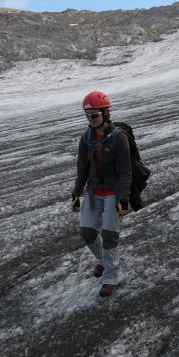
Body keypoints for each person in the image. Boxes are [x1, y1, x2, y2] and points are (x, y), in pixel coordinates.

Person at [70, 91, 132, 297]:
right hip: (93, 191)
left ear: (105, 113)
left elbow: (125, 170)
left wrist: (124, 198)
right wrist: (76, 193)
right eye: (87, 115)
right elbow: (82, 168)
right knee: (87, 233)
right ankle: (103, 262)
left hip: (113, 193)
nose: (90, 119)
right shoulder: (86, 137)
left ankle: (111, 277)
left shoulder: (118, 137)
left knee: (109, 236)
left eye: (94, 115)